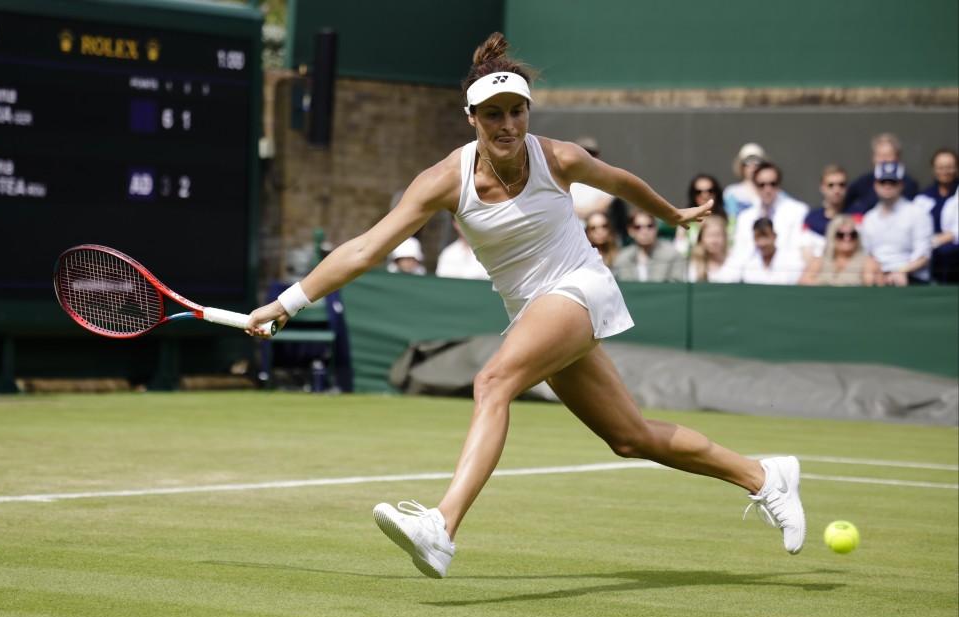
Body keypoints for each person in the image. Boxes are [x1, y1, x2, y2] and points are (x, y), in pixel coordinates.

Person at [246, 32, 805, 579]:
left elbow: (619, 182)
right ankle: (764, 475)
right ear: (472, 118)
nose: (508, 124)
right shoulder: (445, 180)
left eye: (517, 111)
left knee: (493, 382)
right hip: (533, 310)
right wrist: (288, 302)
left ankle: (442, 527)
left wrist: (672, 215)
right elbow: (366, 248)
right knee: (629, 437)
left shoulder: (558, 158)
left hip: (581, 288)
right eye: (494, 114)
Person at [860, 161, 934, 285]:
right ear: (875, 185)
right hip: (878, 278)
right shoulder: (869, 218)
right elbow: (866, 254)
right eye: (883, 182)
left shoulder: (918, 213)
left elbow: (923, 256)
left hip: (912, 278)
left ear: (901, 185)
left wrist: (901, 271)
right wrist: (877, 274)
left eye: (893, 182)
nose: (887, 186)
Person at [729, 162, 810, 266]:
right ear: (755, 186)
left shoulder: (798, 211)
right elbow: (739, 254)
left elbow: (801, 251)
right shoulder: (745, 218)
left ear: (779, 185)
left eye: (772, 184)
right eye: (762, 185)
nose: (767, 189)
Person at [912, 148, 959, 283]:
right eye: (941, 167)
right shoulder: (923, 197)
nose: (945, 171)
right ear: (934, 169)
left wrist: (942, 239)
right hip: (928, 249)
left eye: (949, 167)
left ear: (956, 168)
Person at [844, 133, 919, 214]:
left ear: (898, 157)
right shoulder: (863, 182)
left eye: (888, 155)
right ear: (873, 158)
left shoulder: (910, 184)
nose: (884, 159)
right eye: (880, 155)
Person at [798, 215, 883, 287]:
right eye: (841, 235)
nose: (847, 238)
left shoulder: (868, 263)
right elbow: (803, 282)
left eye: (852, 234)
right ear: (832, 237)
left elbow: (874, 290)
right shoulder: (819, 261)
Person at [613, 210, 686, 282]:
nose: (645, 231)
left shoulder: (672, 255)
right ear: (630, 230)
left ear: (656, 227)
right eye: (638, 227)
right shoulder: (622, 258)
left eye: (650, 226)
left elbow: (676, 287)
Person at [738, 217, 805, 285]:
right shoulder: (747, 264)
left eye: (766, 236)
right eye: (758, 237)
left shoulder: (792, 262)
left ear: (774, 236)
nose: (762, 243)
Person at [674, 174, 727, 256]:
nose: (705, 195)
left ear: (717, 193)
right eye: (698, 192)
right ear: (693, 195)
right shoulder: (685, 223)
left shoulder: (729, 221)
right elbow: (680, 251)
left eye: (710, 191)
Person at [687, 214, 739, 283]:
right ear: (701, 238)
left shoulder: (735, 262)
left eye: (718, 235)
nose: (714, 241)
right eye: (709, 236)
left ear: (725, 237)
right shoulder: (695, 266)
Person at [723, 143, 767, 221]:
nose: (753, 166)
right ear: (741, 166)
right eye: (748, 161)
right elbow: (731, 219)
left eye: (757, 161)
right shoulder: (732, 192)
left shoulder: (772, 190)